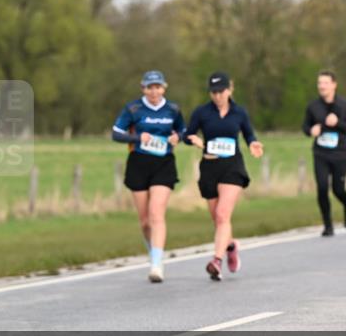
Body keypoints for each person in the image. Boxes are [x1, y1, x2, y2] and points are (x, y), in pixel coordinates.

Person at [185, 72, 263, 280]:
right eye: (214, 92)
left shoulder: (239, 113)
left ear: (230, 89)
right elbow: (187, 134)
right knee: (217, 219)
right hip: (210, 167)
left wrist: (254, 143)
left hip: (232, 166)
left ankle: (216, 261)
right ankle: (230, 246)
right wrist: (193, 139)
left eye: (221, 91)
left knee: (222, 214)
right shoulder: (202, 112)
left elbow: (248, 134)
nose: (218, 96)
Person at [112, 70, 186, 283]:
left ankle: (156, 264)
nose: (154, 91)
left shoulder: (173, 109)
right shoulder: (133, 108)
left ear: (164, 87)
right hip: (138, 163)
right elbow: (116, 133)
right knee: (145, 222)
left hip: (163, 164)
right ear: (143, 88)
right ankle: (154, 251)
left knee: (156, 215)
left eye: (158, 87)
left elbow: (185, 130)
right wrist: (136, 137)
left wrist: (177, 137)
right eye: (149, 87)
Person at [303, 71, 346, 236]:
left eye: (325, 83)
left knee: (338, 189)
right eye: (319, 83)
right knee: (321, 188)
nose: (321, 86)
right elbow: (305, 127)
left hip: (340, 153)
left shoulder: (344, 105)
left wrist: (338, 123)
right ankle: (328, 225)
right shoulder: (313, 106)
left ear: (334, 85)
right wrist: (311, 130)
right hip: (321, 153)